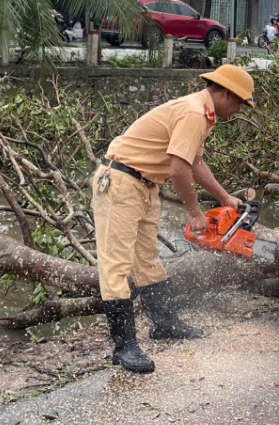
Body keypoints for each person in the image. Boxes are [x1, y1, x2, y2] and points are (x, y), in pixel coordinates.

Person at [91, 65, 255, 374]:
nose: (238, 110)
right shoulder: (194, 113)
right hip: (122, 181)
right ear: (224, 93)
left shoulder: (202, 114)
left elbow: (195, 161)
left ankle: (165, 323)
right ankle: (124, 346)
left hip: (146, 185)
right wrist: (195, 213)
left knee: (148, 260)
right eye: (239, 103)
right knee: (116, 264)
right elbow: (179, 169)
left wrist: (224, 198)